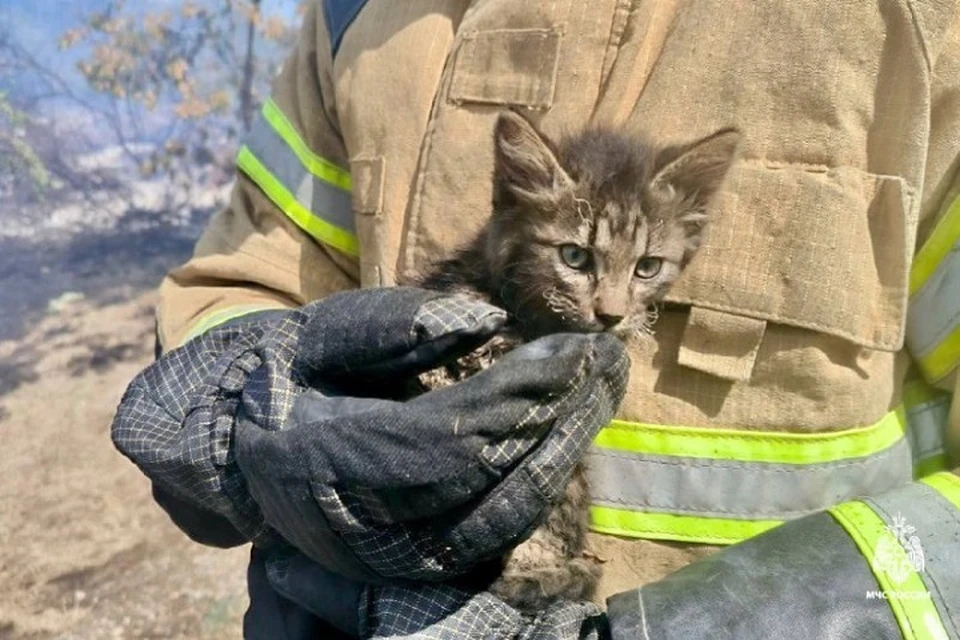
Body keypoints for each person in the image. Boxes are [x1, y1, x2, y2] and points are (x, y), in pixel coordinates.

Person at [111, 1, 960, 637]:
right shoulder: (356, 15)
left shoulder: (919, 25)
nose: (614, 307)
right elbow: (240, 281)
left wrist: (734, 622)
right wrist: (242, 423)